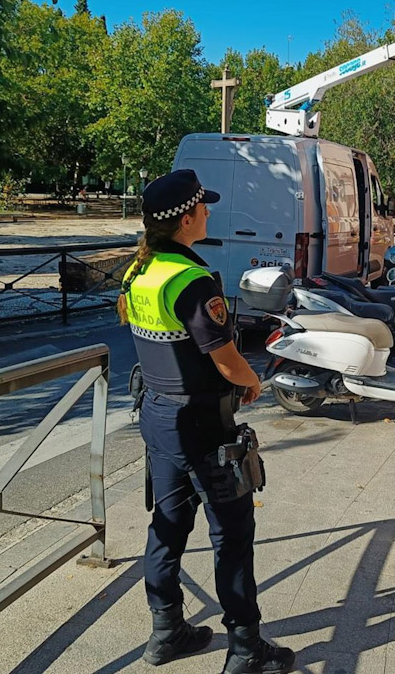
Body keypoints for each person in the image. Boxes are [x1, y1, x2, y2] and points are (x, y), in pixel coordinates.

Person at [118, 169, 295, 674]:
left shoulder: (140, 271)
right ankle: (246, 649)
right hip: (202, 426)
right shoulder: (191, 281)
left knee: (168, 525)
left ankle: (166, 631)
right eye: (203, 207)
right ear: (185, 220)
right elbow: (225, 358)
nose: (209, 212)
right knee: (232, 535)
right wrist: (252, 382)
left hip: (158, 418)